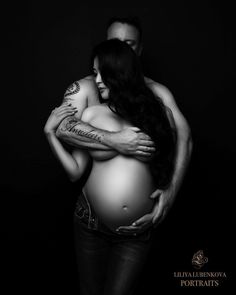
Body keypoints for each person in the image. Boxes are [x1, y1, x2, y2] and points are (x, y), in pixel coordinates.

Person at [44, 38, 176, 295]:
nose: (98, 80)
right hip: (90, 225)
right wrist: (50, 133)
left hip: (137, 232)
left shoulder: (158, 114)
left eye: (104, 72)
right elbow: (75, 172)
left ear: (122, 73)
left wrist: (165, 192)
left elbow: (168, 160)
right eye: (94, 73)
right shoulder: (92, 115)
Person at [55, 17, 193, 234]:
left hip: (140, 226)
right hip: (92, 215)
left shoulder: (157, 92)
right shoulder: (85, 88)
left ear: (139, 49)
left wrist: (170, 192)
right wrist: (114, 140)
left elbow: (184, 138)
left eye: (129, 44)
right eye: (114, 42)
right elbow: (63, 127)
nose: (120, 49)